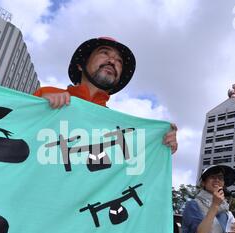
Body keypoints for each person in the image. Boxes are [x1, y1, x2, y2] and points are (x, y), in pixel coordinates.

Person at [34, 37, 178, 154]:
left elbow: (128, 172)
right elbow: (15, 136)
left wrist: (159, 146)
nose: (112, 61)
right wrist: (36, 107)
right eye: (104, 53)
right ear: (81, 64)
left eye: (119, 61)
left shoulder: (119, 129)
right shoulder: (46, 94)